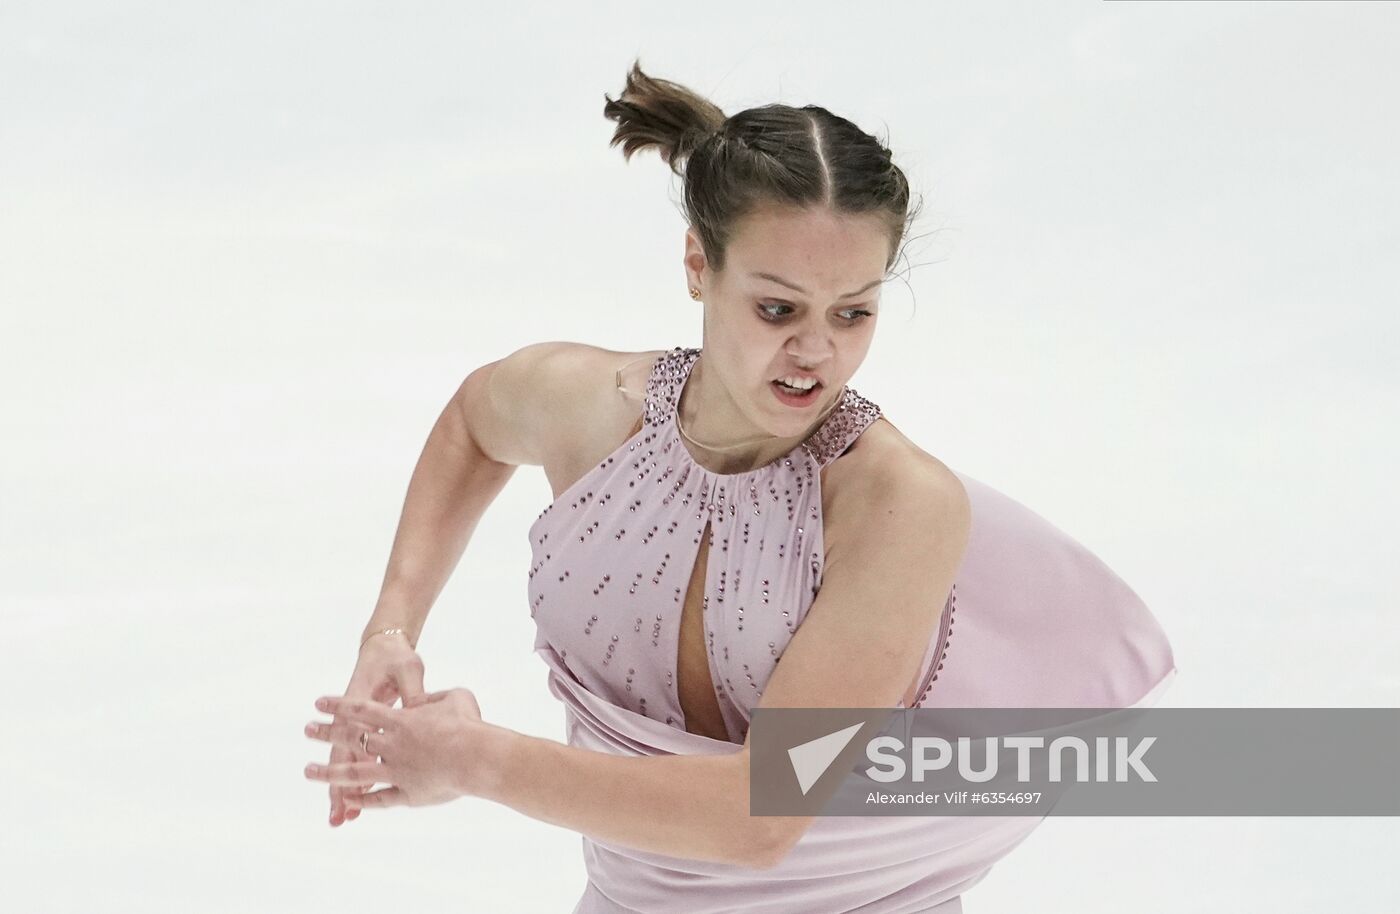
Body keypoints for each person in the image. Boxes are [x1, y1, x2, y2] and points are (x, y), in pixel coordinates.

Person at [302, 60, 1177, 913]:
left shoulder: (897, 506)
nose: (816, 351)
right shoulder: (590, 408)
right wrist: (392, 626)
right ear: (698, 265)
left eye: (853, 312)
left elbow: (763, 815)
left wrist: (474, 759)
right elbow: (472, 424)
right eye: (777, 308)